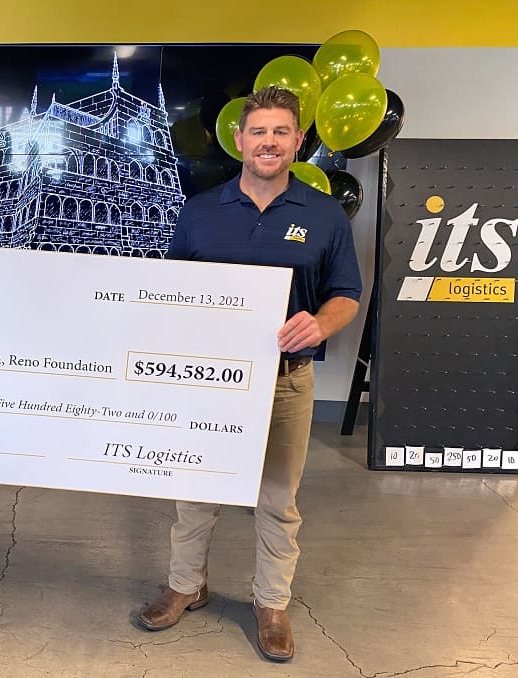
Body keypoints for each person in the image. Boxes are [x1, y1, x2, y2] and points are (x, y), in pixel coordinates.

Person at [137, 86, 361, 662]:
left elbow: (347, 295)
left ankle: (271, 603)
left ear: (298, 141)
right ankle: (186, 586)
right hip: (209, 384)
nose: (268, 142)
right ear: (238, 140)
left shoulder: (323, 214)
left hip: (286, 380)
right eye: (257, 132)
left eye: (280, 132)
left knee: (277, 498)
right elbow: (171, 292)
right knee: (196, 493)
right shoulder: (201, 211)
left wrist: (322, 324)